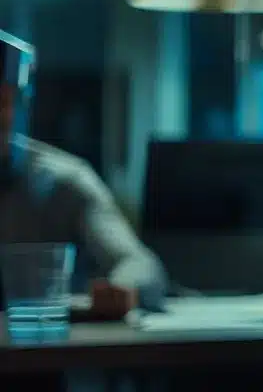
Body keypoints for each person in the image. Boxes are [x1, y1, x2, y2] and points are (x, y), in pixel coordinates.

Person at [0, 32, 165, 320]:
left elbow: (138, 263)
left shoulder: (63, 179)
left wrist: (121, 287)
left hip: (42, 353)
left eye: (4, 102)